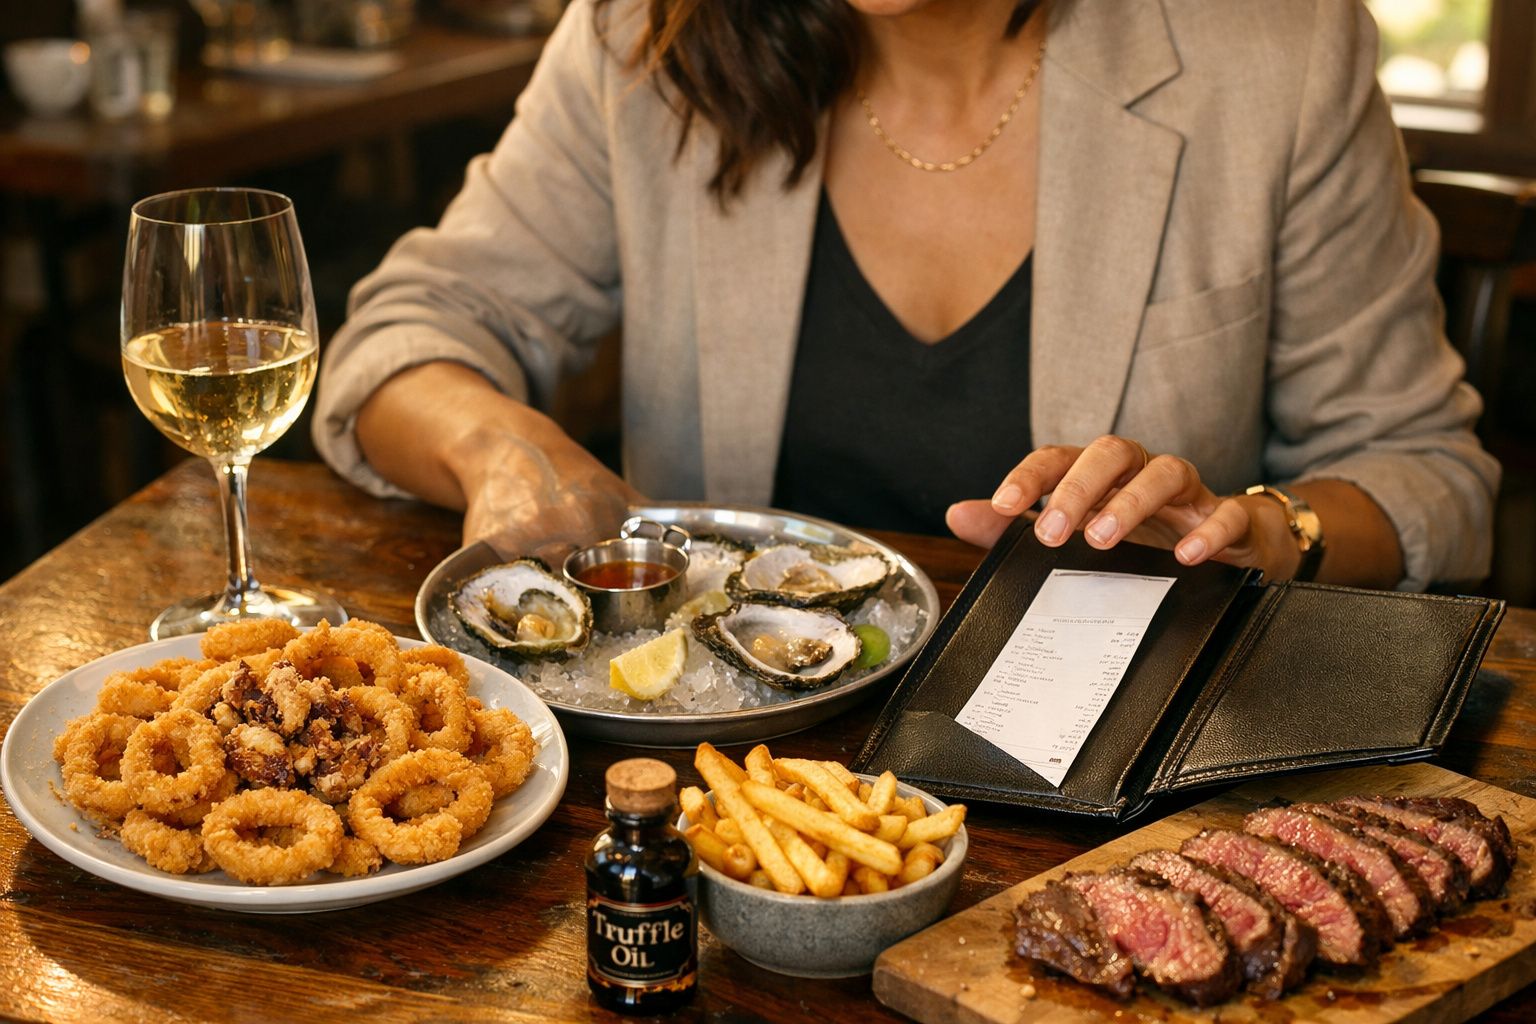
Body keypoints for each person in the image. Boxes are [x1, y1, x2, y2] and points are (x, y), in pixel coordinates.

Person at [313, 0, 1497, 592]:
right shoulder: (651, 35)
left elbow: (1425, 476)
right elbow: (403, 338)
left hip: (1103, 811)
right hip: (706, 793)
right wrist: (498, 441)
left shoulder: (1275, 52)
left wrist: (1251, 529)